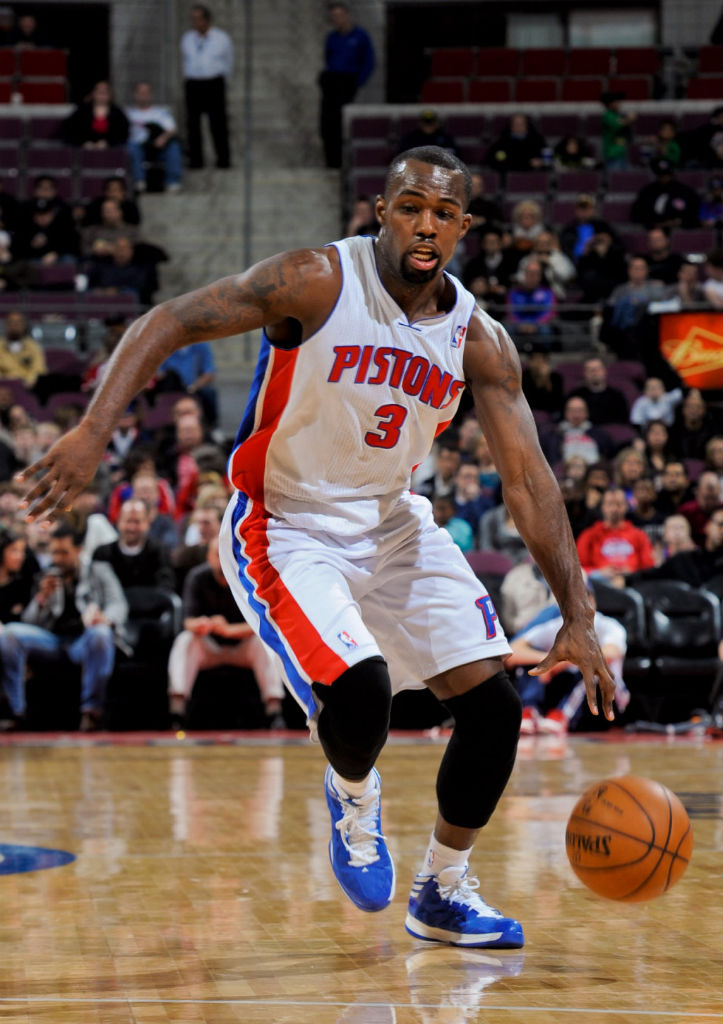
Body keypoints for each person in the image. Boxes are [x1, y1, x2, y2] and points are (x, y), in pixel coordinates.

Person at [16, 146, 615, 948]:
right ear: (381, 210)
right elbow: (167, 319)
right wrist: (94, 431)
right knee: (360, 689)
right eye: (410, 206)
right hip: (284, 521)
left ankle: (441, 890)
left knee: (494, 710)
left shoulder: (480, 339)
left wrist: (577, 609)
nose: (425, 224)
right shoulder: (314, 281)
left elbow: (529, 481)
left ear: (464, 226)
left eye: (442, 212)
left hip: (391, 520)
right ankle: (353, 794)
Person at [0, 522, 128, 732]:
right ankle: (16, 711)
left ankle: (91, 712)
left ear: (79, 550)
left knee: (101, 634)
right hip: (53, 641)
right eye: (54, 553)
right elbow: (29, 622)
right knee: (11, 633)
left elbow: (118, 604)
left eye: (64, 553)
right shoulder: (47, 575)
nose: (58, 558)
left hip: (84, 639)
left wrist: (104, 618)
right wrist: (41, 598)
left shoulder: (99, 570)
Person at [168, 537, 285, 729]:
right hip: (209, 646)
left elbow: (263, 624)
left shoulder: (249, 577)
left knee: (265, 642)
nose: (222, 558)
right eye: (217, 554)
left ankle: (274, 712)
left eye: (226, 553)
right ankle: (177, 712)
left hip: (242, 646)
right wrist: (203, 624)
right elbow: (188, 622)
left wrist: (229, 630)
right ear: (209, 557)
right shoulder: (196, 577)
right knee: (185, 640)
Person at [508, 585, 629, 735]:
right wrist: (547, 661)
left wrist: (561, 663)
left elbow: (609, 653)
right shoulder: (557, 625)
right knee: (530, 663)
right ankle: (529, 711)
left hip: (605, 700)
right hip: (562, 690)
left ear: (593, 603)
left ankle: (562, 716)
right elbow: (511, 653)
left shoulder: (610, 626)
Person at [319, 2, 375, 168]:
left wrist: (358, 81)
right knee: (328, 123)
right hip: (332, 80)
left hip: (348, 81)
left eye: (340, 15)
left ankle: (347, 162)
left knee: (342, 122)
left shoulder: (360, 36)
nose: (337, 20)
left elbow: (369, 61)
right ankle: (331, 162)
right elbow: (329, 59)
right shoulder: (332, 38)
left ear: (347, 15)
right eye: (334, 17)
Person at [180, 5, 234, 170]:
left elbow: (229, 61)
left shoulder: (221, 38)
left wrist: (222, 79)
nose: (196, 23)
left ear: (207, 20)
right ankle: (196, 160)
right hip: (194, 83)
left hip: (213, 83)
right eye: (193, 19)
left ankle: (223, 159)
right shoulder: (187, 38)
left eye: (199, 19)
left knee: (218, 122)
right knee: (193, 124)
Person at [92, 497, 176, 590]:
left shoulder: (160, 551)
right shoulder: (103, 553)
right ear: (119, 522)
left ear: (147, 523)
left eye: (137, 522)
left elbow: (166, 587)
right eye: (128, 521)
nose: (132, 528)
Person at [576, 486, 656, 583]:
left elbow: (649, 568)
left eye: (618, 504)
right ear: (603, 507)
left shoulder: (639, 535)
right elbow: (579, 570)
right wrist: (599, 573)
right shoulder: (588, 535)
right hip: (599, 587)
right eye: (610, 504)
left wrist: (631, 575)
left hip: (632, 586)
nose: (614, 509)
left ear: (626, 506)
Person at [125, 81, 184, 193]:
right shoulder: (128, 113)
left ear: (151, 94)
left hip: (158, 145)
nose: (144, 95)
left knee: (174, 147)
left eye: (146, 92)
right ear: (134, 94)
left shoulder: (161, 112)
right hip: (138, 147)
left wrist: (163, 138)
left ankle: (173, 182)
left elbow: (171, 129)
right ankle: (139, 181)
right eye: (141, 92)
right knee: (131, 147)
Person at [630, 159, 701, 230]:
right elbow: (637, 214)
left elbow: (694, 213)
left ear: (672, 175)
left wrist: (678, 222)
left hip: (680, 229)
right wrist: (653, 223)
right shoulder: (648, 191)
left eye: (667, 175)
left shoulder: (685, 191)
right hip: (653, 230)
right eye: (661, 175)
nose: (664, 178)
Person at [61, 81, 130, 149]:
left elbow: (123, 133)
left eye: (105, 91)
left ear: (111, 94)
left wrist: (108, 143)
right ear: (93, 93)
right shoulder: (82, 111)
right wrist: (83, 143)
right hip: (83, 150)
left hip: (111, 151)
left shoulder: (118, 113)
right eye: (99, 91)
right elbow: (70, 130)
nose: (102, 94)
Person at [567, 358, 629, 426]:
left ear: (604, 371)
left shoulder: (617, 396)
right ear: (584, 373)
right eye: (590, 370)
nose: (594, 373)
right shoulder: (575, 396)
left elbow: (623, 423)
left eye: (597, 369)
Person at [0, 310, 47, 390]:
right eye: (11, 322)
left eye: (18, 322)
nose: (14, 325)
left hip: (28, 388)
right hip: (3, 388)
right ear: (6, 325)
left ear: (24, 326)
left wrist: (26, 383)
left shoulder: (33, 347)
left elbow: (39, 370)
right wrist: (7, 382)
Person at [600, 91, 635, 170]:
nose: (619, 103)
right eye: (616, 101)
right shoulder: (607, 116)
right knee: (614, 179)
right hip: (613, 155)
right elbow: (618, 125)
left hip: (622, 154)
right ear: (610, 103)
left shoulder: (617, 115)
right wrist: (630, 119)